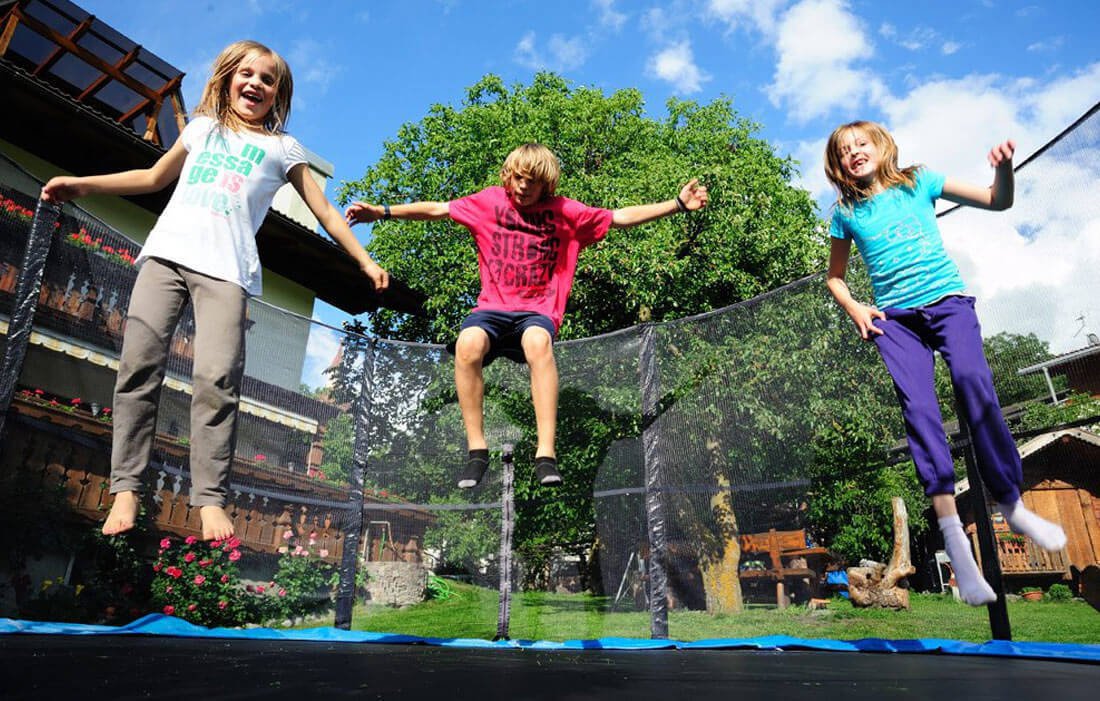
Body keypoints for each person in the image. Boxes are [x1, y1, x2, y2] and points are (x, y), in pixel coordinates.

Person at [41, 40, 389, 541]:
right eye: (246, 74)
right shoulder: (202, 128)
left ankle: (208, 499)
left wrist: (364, 258)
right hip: (165, 258)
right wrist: (83, 184)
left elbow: (325, 211)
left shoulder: (281, 149)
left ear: (277, 95)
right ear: (228, 79)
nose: (255, 84)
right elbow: (152, 176)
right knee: (138, 368)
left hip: (226, 271)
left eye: (267, 80)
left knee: (216, 379)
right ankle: (126, 488)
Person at [346, 143, 707, 489]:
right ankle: (477, 450)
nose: (523, 187)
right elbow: (438, 209)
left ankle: (545, 453)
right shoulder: (488, 202)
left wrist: (676, 204)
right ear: (508, 176)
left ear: (546, 185)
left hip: (536, 311)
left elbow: (619, 218)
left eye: (532, 182)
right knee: (468, 345)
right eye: (518, 178)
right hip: (492, 309)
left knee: (537, 343)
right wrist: (383, 211)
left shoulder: (565, 212)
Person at [823, 120, 1065, 606]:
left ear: (881, 146)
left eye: (861, 144)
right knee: (920, 412)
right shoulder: (846, 212)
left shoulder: (920, 181)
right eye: (844, 151)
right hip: (895, 322)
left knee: (974, 381)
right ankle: (955, 540)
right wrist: (856, 309)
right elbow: (835, 278)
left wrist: (1005, 170)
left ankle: (1011, 502)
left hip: (948, 302)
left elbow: (999, 200)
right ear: (839, 165)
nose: (854, 154)